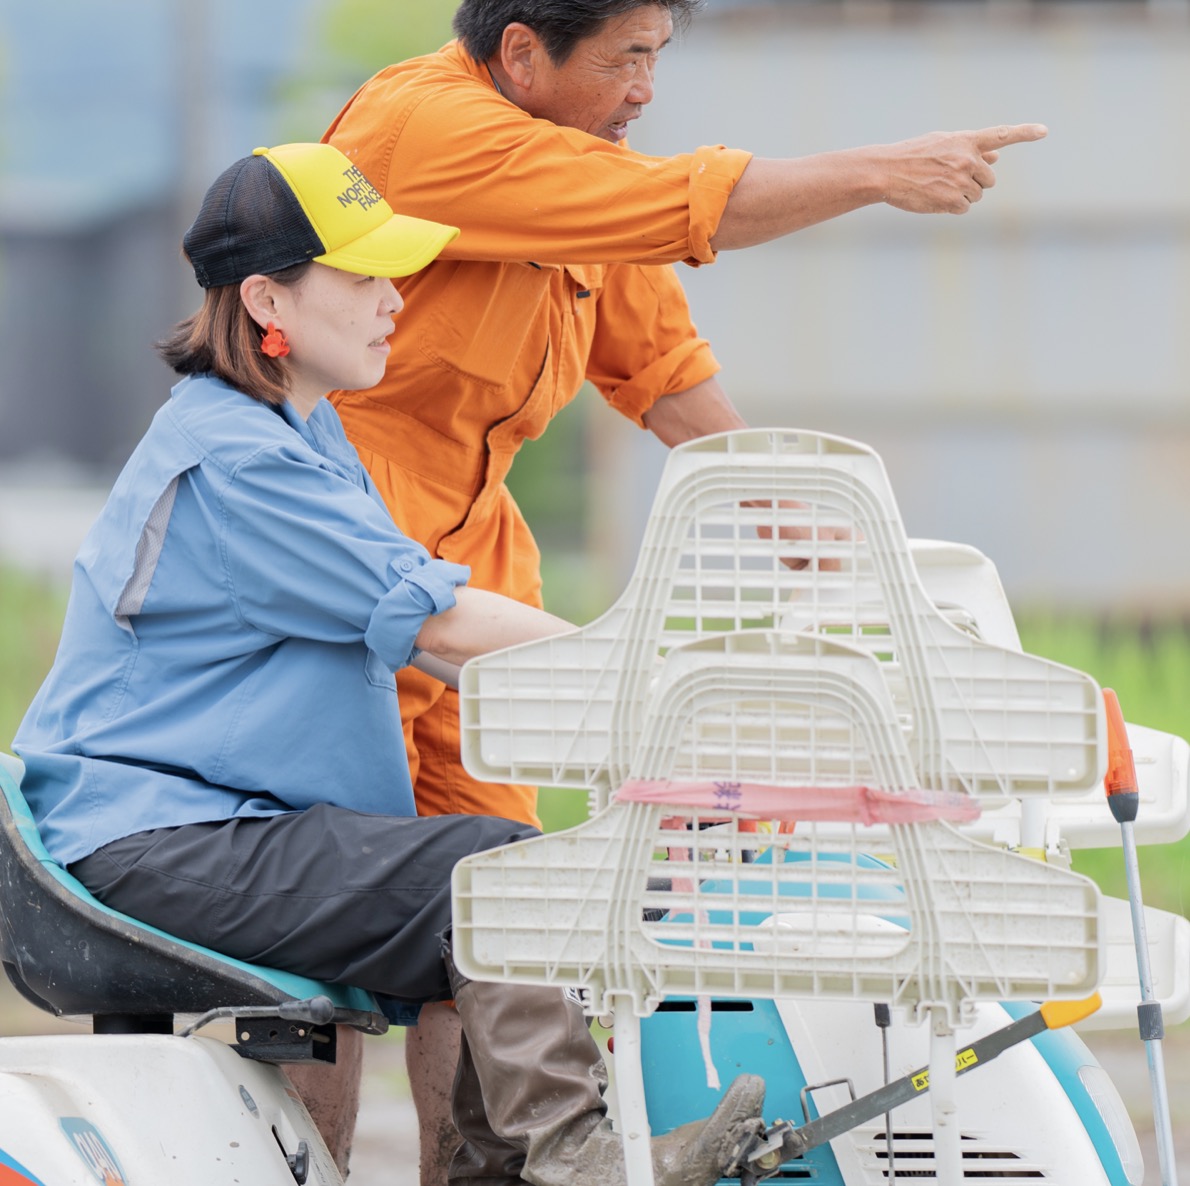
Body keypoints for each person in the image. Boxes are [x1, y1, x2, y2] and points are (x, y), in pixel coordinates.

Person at [319, 0, 1050, 1175]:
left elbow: (661, 374)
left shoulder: (579, 177)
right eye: (626, 58)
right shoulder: (428, 128)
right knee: (323, 936)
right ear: (521, 52)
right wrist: (877, 171)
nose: (645, 89)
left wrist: (834, 553)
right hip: (340, 551)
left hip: (473, 546)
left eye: (657, 57)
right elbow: (682, 202)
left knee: (502, 915)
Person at [12, 141, 766, 1186]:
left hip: (211, 823)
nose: (394, 299)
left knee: (523, 875)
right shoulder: (240, 459)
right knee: (496, 879)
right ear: (267, 299)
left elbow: (432, 640)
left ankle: (506, 1171)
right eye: (364, 275)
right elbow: (441, 625)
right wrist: (666, 688)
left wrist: (639, 737)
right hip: (154, 834)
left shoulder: (301, 434)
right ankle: (578, 1157)